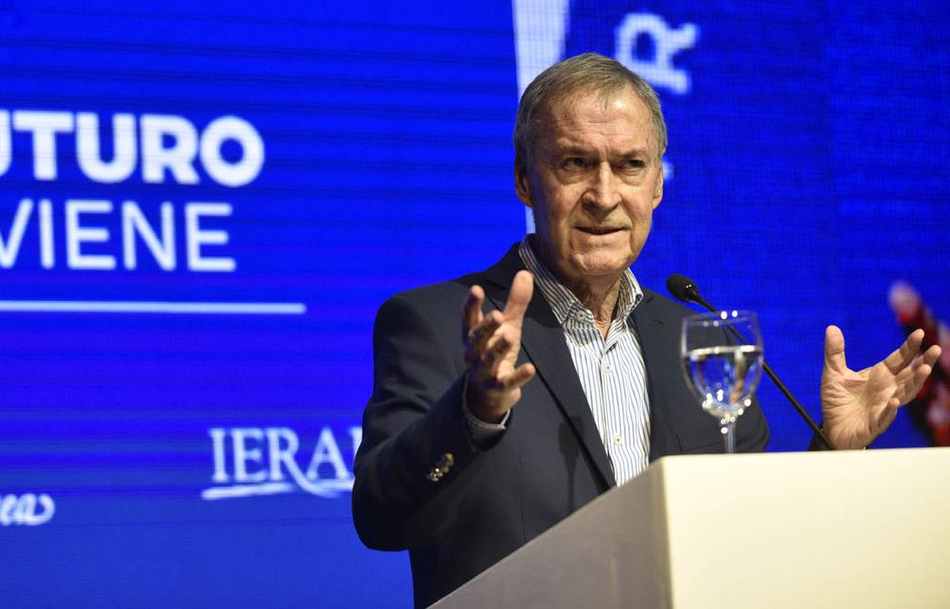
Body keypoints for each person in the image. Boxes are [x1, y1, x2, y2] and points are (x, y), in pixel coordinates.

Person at [351, 53, 941, 607]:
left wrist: (835, 451)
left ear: (657, 184)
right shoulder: (435, 323)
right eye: (575, 163)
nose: (604, 196)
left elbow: (753, 537)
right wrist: (475, 410)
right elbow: (381, 519)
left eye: (629, 165)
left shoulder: (702, 344)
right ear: (525, 180)